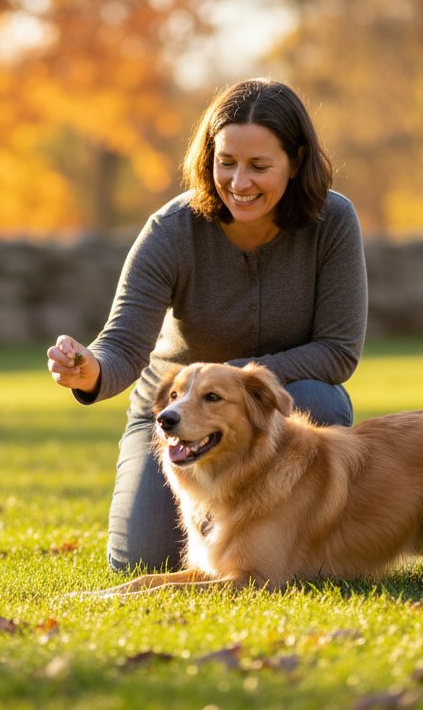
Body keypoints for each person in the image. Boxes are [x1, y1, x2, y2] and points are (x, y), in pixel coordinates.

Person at [46, 78, 368, 573]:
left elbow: (338, 350)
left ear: (297, 161)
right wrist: (89, 371)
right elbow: (124, 346)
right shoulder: (171, 229)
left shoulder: (334, 221)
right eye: (226, 162)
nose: (239, 183)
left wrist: (234, 383)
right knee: (142, 563)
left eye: (259, 166)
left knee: (321, 399)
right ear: (208, 157)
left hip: (283, 409)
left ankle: (295, 543)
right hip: (180, 418)